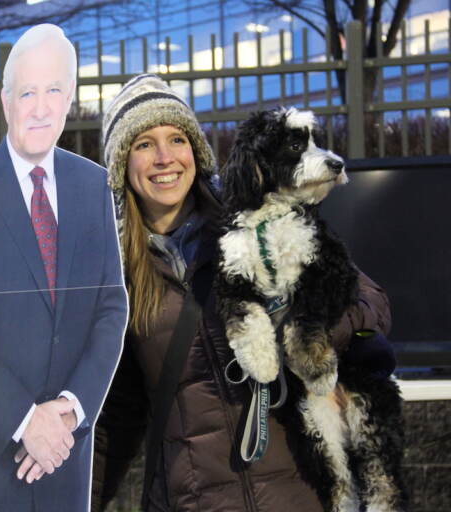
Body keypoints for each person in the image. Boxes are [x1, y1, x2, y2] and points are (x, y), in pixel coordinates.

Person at [91, 74, 394, 512]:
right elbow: (117, 412)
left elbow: (372, 302)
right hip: (194, 501)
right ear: (122, 163)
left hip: (299, 492)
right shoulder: (114, 273)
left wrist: (311, 333)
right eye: (143, 144)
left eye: (177, 139)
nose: (164, 158)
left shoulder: (266, 223)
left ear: (195, 151)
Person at [0, 24, 128, 512]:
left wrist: (70, 412)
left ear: (70, 99)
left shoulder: (96, 188)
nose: (40, 108)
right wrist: (24, 421)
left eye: (54, 90)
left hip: (64, 454)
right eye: (28, 93)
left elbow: (110, 306)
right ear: (5, 101)